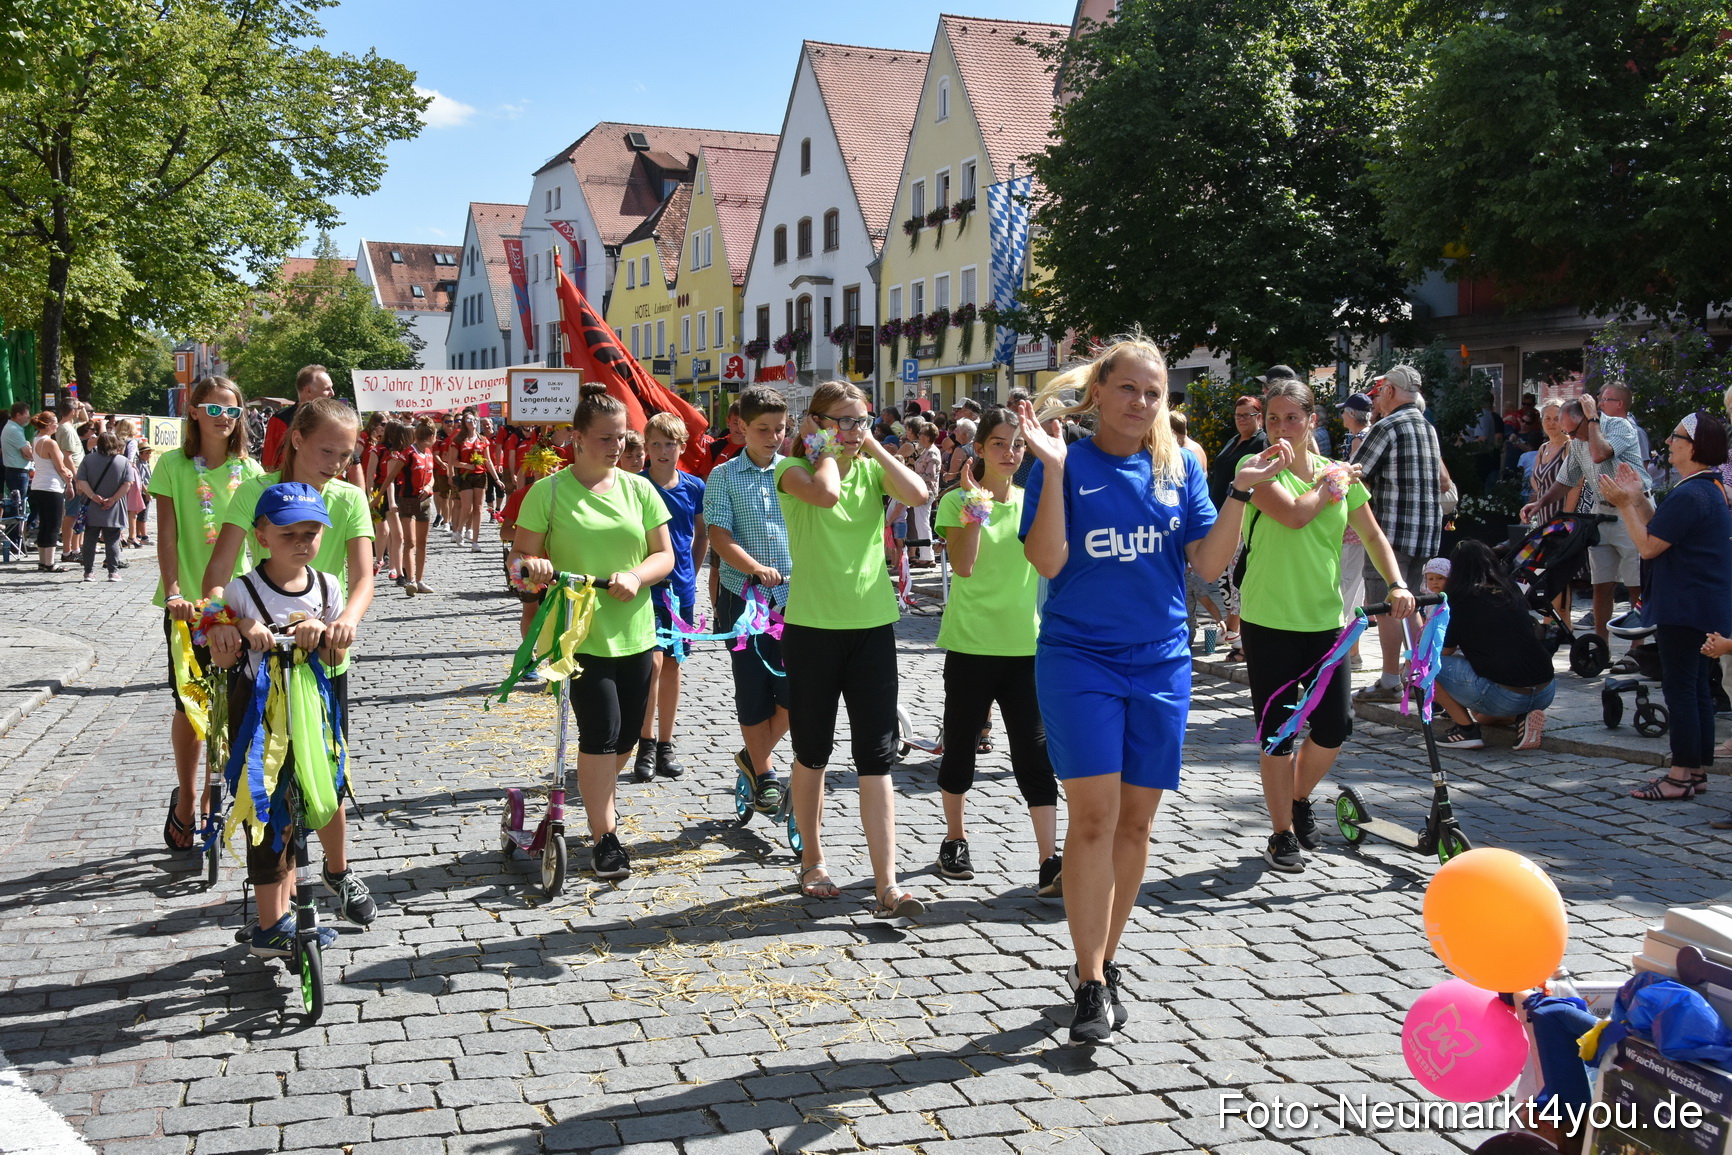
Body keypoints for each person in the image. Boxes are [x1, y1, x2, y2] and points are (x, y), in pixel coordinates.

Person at [1016, 336, 1284, 1043]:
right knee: (1095, 818)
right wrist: (1050, 469)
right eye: (1128, 388)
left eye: (1153, 392)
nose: (1141, 402)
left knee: (1136, 822)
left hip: (1162, 661)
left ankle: (1108, 956)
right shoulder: (1062, 460)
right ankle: (1088, 978)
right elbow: (1046, 559)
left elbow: (1209, 561)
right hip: (1080, 660)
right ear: (1099, 392)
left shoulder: (1178, 466)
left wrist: (1239, 491)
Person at [202, 397, 376, 925]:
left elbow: (364, 575)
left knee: (327, 771)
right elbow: (218, 576)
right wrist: (229, 624)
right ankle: (274, 900)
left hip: (323, 660)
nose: (337, 464)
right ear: (296, 439)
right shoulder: (253, 493)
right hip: (263, 661)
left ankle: (338, 870)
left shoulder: (347, 498)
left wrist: (346, 619)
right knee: (270, 779)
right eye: (327, 451)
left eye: (346, 455)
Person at [1236, 379, 1414, 873]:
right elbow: (1293, 517)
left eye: (1293, 417)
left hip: (1325, 620)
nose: (1281, 428)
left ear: (1313, 421)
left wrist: (1398, 583)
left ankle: (1297, 798)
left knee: (1335, 728)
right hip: (1269, 619)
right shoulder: (1254, 471)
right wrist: (1329, 484)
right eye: (1273, 418)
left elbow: (1373, 535)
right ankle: (1279, 836)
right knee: (1278, 733)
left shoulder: (1339, 477)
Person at [776, 380, 931, 917]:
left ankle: (887, 881)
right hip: (814, 629)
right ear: (816, 423)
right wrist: (822, 449)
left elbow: (918, 495)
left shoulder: (870, 466)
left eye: (860, 421)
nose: (853, 432)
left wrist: (873, 445)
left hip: (870, 627)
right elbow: (826, 494)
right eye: (842, 421)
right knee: (812, 751)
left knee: (877, 756)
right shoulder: (790, 471)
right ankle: (813, 860)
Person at [509, 383, 675, 881]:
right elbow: (517, 563)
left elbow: (663, 555)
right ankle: (607, 838)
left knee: (625, 738)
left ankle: (597, 795)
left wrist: (636, 576)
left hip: (635, 631)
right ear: (577, 438)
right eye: (605, 438)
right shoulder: (549, 492)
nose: (616, 447)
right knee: (600, 733)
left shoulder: (639, 488)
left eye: (622, 438)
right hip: (577, 636)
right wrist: (532, 566)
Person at [208, 482, 348, 958]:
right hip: (259, 715)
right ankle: (269, 925)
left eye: (311, 533)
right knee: (266, 810)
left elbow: (334, 651)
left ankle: (291, 907)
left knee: (307, 798)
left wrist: (327, 633)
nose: (303, 543)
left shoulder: (327, 586)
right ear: (262, 535)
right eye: (290, 534)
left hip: (310, 711)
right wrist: (234, 629)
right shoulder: (241, 591)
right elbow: (221, 656)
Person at [932, 407, 1061, 896]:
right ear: (980, 448)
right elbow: (963, 567)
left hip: (1026, 648)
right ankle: (954, 838)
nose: (1010, 454)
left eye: (1018, 445)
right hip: (970, 644)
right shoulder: (957, 502)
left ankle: (1050, 859)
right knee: (962, 747)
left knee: (1034, 753)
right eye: (1000, 444)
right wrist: (976, 506)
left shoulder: (1034, 502)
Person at [149, 377, 264, 850]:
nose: (223, 418)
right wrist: (175, 590)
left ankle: (235, 794)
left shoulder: (251, 470)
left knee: (239, 703)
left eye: (232, 411)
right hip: (188, 609)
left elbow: (262, 542)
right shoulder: (172, 467)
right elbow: (168, 536)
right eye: (213, 409)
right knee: (189, 704)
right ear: (193, 412)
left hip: (236, 608)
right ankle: (188, 798)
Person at [1599, 417, 1732, 804]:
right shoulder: (1706, 489)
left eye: (1676, 436)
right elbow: (1663, 528)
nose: (1669, 442)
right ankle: (1695, 770)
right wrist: (1638, 497)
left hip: (1685, 604)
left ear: (1693, 446)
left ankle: (1679, 775)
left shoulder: (1693, 493)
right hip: (1700, 602)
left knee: (1681, 689)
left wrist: (1624, 504)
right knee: (1694, 688)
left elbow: (1650, 546)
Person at [703, 386, 795, 809]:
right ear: (741, 426)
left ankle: (751, 754)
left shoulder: (793, 473)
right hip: (746, 600)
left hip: (797, 598)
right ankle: (764, 770)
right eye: (763, 429)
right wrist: (754, 567)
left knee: (797, 691)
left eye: (780, 428)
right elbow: (719, 536)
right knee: (754, 687)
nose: (773, 437)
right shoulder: (723, 476)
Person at [1522, 392, 1650, 649]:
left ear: (1586, 419)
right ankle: (1600, 644)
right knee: (1600, 583)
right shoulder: (1577, 439)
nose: (1573, 438)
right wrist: (1540, 503)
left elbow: (1600, 454)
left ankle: (1638, 648)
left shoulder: (1618, 426)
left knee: (1636, 582)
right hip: (1601, 511)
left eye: (1574, 431)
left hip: (1633, 508)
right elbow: (1565, 480)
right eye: (1567, 432)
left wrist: (1592, 421)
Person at [1351, 365, 1444, 704]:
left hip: (1389, 533)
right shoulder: (1427, 427)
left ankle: (1391, 679)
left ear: (1390, 390)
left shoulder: (1387, 426)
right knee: (1409, 603)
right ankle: (1422, 673)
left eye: (1378, 392)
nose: (1375, 399)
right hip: (1425, 531)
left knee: (1388, 604)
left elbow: (1354, 477)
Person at [633, 413, 706, 783]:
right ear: (646, 447)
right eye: (656, 444)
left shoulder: (693, 487)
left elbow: (700, 534)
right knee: (653, 665)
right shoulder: (636, 485)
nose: (663, 451)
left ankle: (665, 744)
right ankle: (644, 743)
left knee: (674, 665)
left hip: (682, 590)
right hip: (648, 590)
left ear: (682, 447)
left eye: (670, 444)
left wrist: (691, 569)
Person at [1428, 540, 1556, 752]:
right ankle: (1524, 717)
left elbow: (1444, 652)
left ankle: (1466, 730)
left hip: (1505, 694)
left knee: (1423, 665)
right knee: (1484, 717)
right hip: (1545, 689)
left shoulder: (1459, 599)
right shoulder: (1510, 589)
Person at [1206, 394, 1267, 662]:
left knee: (1236, 578)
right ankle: (1236, 633)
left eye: (1248, 415)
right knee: (1226, 579)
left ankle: (1239, 636)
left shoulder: (1261, 442)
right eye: (1238, 415)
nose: (1241, 420)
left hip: (1242, 519)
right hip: (1221, 516)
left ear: (1259, 417)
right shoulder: (1234, 441)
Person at [75, 431, 134, 582]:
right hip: (114, 507)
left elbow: (81, 480)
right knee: (112, 539)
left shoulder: (88, 459)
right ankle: (113, 572)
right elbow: (127, 484)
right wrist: (113, 499)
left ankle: (88, 572)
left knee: (90, 539)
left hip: (92, 505)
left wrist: (93, 496)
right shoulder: (123, 461)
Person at [260, 364, 336, 472]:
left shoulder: (334, 420)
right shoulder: (280, 419)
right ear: (308, 391)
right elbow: (269, 464)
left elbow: (353, 464)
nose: (332, 393)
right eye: (327, 389)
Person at [446, 411, 500, 550]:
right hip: (465, 476)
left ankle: (475, 541)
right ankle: (459, 529)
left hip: (480, 476)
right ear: (464, 423)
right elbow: (452, 461)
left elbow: (487, 461)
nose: (473, 422)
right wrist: (466, 465)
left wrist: (497, 479)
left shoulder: (482, 440)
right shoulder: (459, 440)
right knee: (467, 507)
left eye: (474, 420)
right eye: (469, 420)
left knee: (478, 508)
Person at [28, 412, 74, 573]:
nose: (57, 426)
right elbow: (60, 467)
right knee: (53, 524)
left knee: (45, 524)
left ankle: (43, 560)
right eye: (55, 423)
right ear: (48, 425)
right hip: (51, 486)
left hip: (39, 485)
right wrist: (69, 477)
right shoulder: (50, 443)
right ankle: (49, 562)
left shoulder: (35, 440)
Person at [908, 422, 943, 568]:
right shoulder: (927, 451)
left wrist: (914, 475)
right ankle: (925, 555)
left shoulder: (932, 452)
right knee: (920, 522)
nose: (919, 436)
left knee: (922, 522)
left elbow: (931, 474)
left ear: (928, 437)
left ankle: (927, 556)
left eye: (922, 433)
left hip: (927, 491)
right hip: (923, 490)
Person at [55, 400, 86, 563]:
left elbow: (86, 420)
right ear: (73, 411)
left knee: (76, 513)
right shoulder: (66, 429)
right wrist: (77, 479)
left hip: (76, 474)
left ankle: (74, 548)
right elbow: (67, 457)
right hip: (74, 475)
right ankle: (68, 551)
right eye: (78, 409)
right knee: (72, 514)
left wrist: (79, 405)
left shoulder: (67, 427)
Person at [2, 400, 33, 510]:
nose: (29, 417)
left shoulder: (14, 428)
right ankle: (17, 527)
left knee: (18, 504)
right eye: (27, 414)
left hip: (16, 472)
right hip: (17, 473)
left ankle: (23, 525)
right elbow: (29, 453)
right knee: (18, 507)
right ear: (18, 415)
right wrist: (29, 452)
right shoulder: (14, 430)